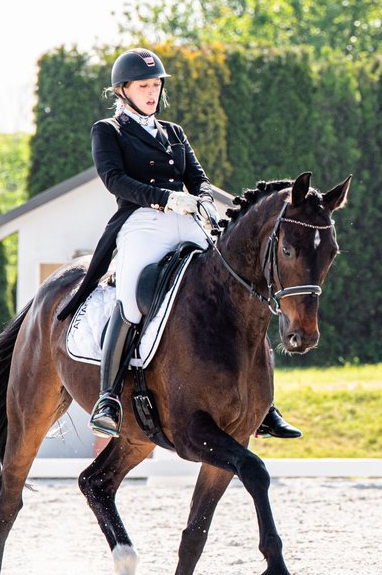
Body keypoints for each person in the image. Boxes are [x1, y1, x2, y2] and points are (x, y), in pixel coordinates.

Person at [56, 49, 301, 441]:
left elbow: (197, 176)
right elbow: (114, 179)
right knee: (133, 296)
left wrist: (202, 197)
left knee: (231, 283)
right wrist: (163, 198)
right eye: (143, 86)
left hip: (186, 219)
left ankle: (262, 404)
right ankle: (108, 398)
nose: (151, 93)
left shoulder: (173, 132)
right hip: (141, 222)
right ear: (124, 90)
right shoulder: (109, 130)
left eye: (155, 85)